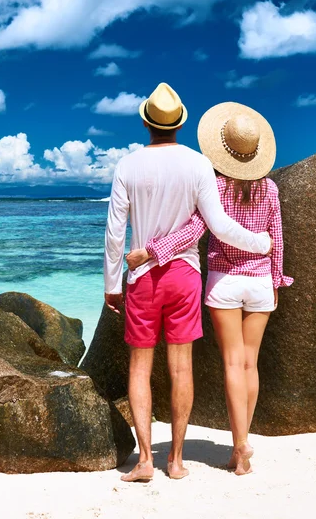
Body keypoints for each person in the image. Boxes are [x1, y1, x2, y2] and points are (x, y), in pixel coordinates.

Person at [104, 84, 272, 482]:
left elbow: (114, 234)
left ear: (146, 121)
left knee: (140, 368)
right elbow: (217, 226)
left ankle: (145, 460)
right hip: (184, 276)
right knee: (181, 368)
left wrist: (113, 283)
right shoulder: (198, 164)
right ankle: (175, 461)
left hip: (142, 276)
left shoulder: (127, 165)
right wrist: (260, 242)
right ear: (179, 124)